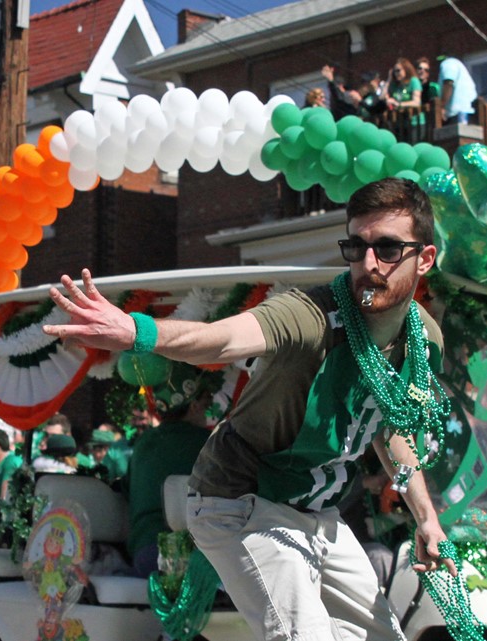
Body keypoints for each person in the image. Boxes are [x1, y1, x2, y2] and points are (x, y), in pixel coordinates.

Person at [43, 177, 454, 641]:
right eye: (356, 247)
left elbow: (389, 422)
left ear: (425, 258)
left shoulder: (422, 339)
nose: (368, 263)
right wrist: (138, 332)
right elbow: (224, 338)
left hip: (317, 514)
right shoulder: (312, 315)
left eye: (387, 248)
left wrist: (426, 518)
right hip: (241, 502)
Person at [125, 362, 212, 577]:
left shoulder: (142, 443)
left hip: (143, 552)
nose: (208, 411)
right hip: (191, 555)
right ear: (193, 406)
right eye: (206, 403)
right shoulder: (209, 444)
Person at [436, 56, 477, 125]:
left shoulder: (448, 63)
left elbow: (448, 83)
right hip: (470, 112)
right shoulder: (459, 66)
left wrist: (441, 106)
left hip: (459, 114)